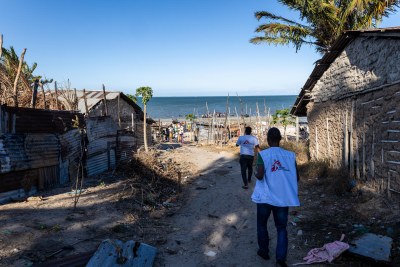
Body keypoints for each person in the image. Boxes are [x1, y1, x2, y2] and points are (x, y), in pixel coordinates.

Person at [252, 127, 300, 267]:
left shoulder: (263, 155)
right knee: (281, 228)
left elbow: (260, 176)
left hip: (265, 198)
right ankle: (280, 259)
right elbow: (296, 177)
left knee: (261, 224)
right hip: (282, 198)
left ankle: (264, 251)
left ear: (268, 139)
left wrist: (255, 172)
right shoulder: (290, 156)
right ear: (280, 139)